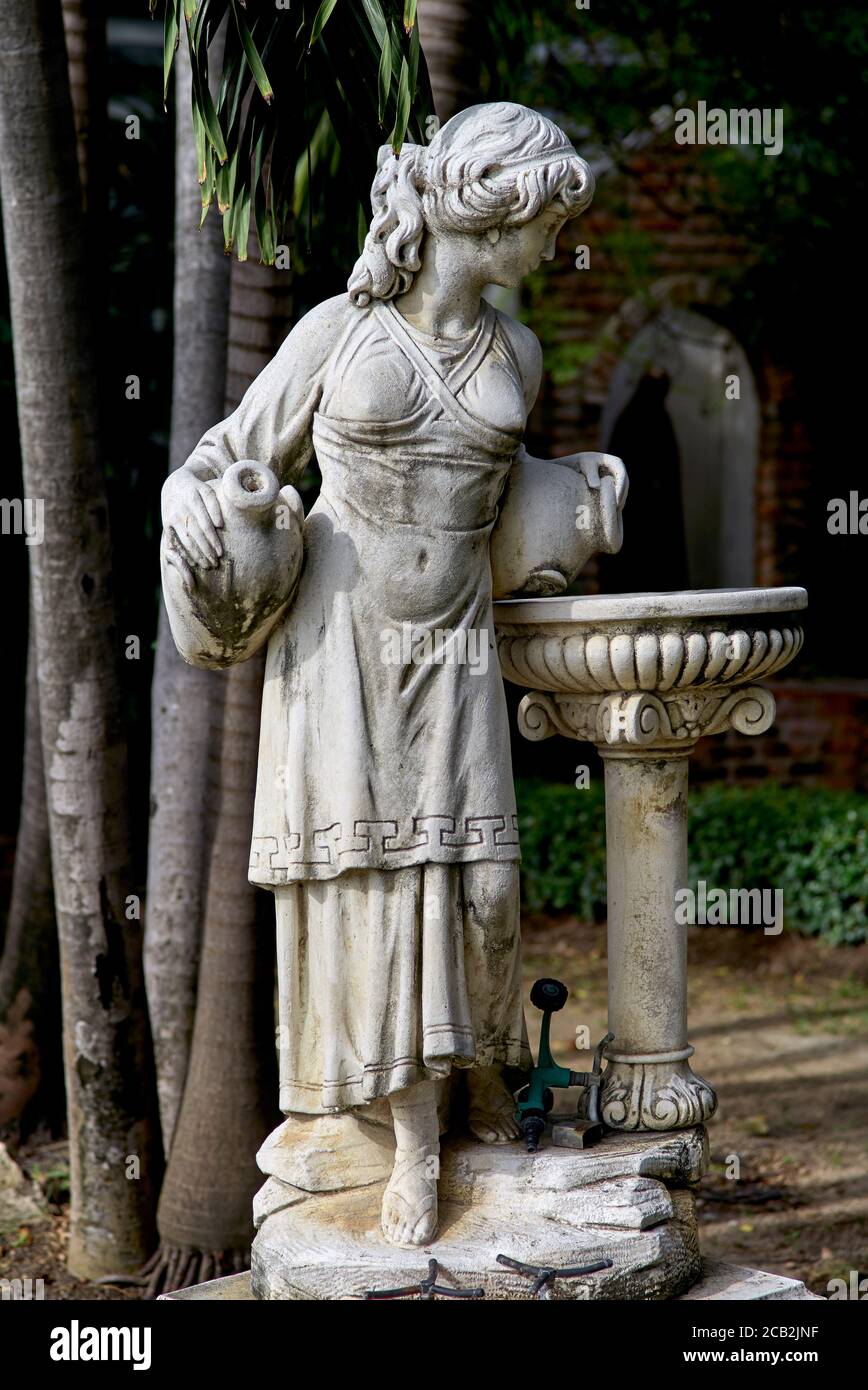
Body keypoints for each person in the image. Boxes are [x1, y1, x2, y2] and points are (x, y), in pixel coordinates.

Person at [161, 101, 627, 1247]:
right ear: (492, 208)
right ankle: (414, 1150)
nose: (558, 245)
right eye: (550, 221)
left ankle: (486, 1091)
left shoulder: (514, 349)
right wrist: (221, 512)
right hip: (343, 641)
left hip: (456, 643)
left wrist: (582, 503)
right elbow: (225, 461)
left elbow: (517, 517)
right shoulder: (338, 332)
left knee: (477, 892)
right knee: (378, 897)